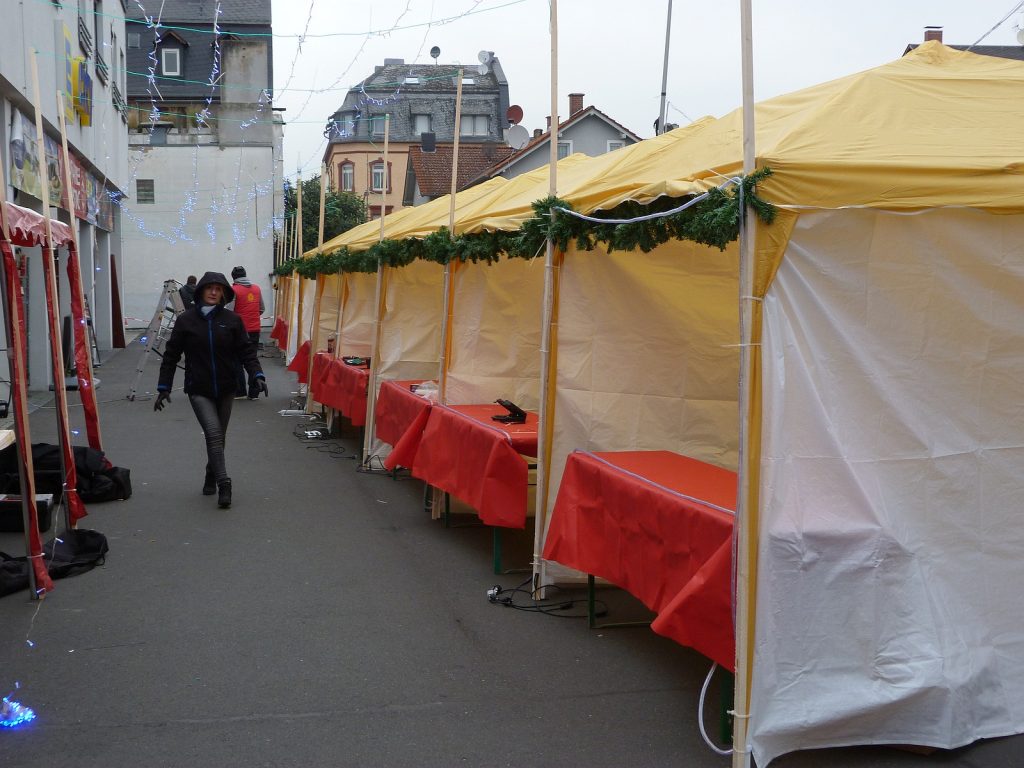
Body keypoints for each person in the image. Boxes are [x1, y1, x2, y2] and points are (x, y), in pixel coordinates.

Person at [153, 272, 268, 508]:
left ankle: (210, 474)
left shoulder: (232, 320)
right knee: (214, 434)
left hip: (226, 388)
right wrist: (164, 386)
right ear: (201, 291)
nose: (214, 292)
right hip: (199, 388)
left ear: (224, 293)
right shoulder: (186, 321)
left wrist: (256, 374)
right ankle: (224, 483)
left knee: (219, 437)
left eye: (219, 289)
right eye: (210, 288)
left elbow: (246, 351)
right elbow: (171, 354)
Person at [227, 266, 264, 399]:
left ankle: (240, 391)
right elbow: (261, 309)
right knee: (252, 358)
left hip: (239, 331)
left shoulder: (233, 290)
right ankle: (254, 391)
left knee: (236, 360)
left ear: (233, 277)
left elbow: (229, 311)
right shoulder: (257, 288)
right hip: (255, 329)